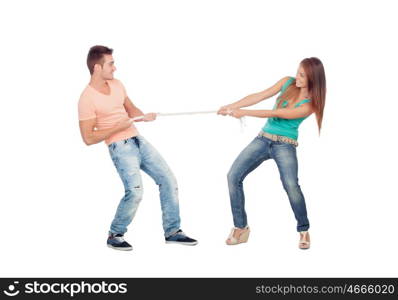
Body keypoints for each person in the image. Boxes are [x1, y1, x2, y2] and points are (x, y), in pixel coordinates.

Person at [78, 45, 198, 251]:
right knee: (135, 192)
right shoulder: (86, 98)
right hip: (119, 147)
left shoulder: (117, 84)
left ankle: (173, 232)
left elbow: (131, 109)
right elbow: (88, 138)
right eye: (111, 64)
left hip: (137, 139)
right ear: (97, 67)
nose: (114, 68)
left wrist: (142, 116)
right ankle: (115, 234)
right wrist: (118, 126)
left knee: (168, 180)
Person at [218, 57, 326, 249]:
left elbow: (278, 114)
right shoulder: (287, 83)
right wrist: (232, 106)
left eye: (302, 75)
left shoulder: (311, 104)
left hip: (285, 145)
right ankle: (241, 228)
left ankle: (303, 230)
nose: (297, 77)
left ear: (313, 78)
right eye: (298, 71)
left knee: (291, 186)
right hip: (263, 139)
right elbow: (259, 95)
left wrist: (244, 113)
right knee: (233, 176)